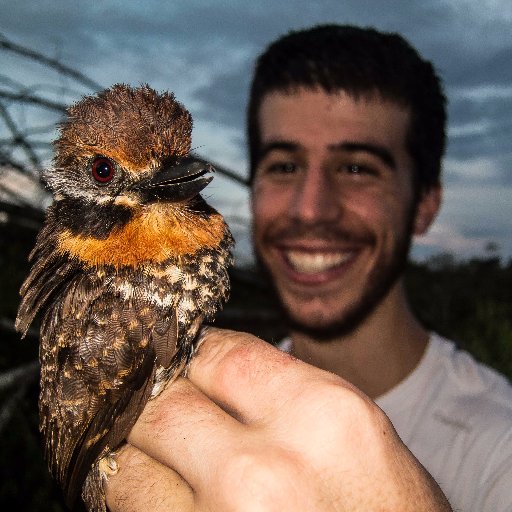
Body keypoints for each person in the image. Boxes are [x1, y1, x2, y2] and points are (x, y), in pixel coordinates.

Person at [105, 24, 512, 511]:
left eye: (357, 167)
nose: (310, 209)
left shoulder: (498, 450)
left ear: (425, 203)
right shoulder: (182, 406)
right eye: (284, 166)